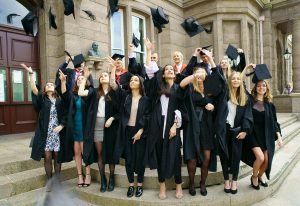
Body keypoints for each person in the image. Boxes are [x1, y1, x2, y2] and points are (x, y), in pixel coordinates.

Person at [108, 56, 150, 198]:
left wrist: (141, 130)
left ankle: (140, 185)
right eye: (131, 80)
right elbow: (113, 85)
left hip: (140, 132)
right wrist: (113, 69)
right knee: (129, 159)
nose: (132, 81)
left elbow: (147, 116)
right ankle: (131, 184)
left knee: (140, 159)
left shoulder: (146, 99)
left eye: (135, 80)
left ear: (140, 83)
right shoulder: (125, 96)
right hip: (126, 131)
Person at [20, 63, 66, 191]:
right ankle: (50, 180)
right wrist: (31, 74)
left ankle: (57, 180)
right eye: (47, 85)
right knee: (47, 157)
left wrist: (62, 126)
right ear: (45, 89)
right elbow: (34, 90)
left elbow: (65, 115)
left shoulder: (60, 100)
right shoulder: (42, 98)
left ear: (55, 88)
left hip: (57, 133)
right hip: (46, 133)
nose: (50, 85)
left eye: (52, 84)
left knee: (57, 157)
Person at [179, 49, 217, 196]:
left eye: (203, 72)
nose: (200, 75)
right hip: (192, 125)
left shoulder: (210, 88)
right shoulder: (189, 88)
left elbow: (216, 102)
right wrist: (195, 74)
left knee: (207, 156)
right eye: (198, 73)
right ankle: (192, 183)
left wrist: (212, 106)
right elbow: (181, 82)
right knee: (192, 159)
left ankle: (203, 183)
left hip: (206, 125)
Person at [78, 67, 119, 193]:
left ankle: (111, 178)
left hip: (110, 124)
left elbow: (120, 110)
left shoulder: (115, 92)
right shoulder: (95, 92)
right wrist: (85, 77)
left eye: (105, 75)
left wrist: (112, 118)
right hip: (97, 124)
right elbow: (80, 93)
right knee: (100, 153)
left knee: (110, 153)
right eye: (101, 76)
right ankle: (103, 179)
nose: (103, 77)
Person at [242, 64, 283, 190]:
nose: (261, 87)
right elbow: (241, 85)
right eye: (259, 86)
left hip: (266, 136)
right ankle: (254, 177)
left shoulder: (270, 105)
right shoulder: (250, 100)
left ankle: (260, 175)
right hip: (253, 135)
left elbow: (275, 123)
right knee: (260, 158)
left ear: (266, 88)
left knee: (266, 160)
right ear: (256, 88)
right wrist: (246, 68)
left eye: (263, 85)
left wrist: (279, 136)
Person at [219, 71, 253, 194]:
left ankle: (234, 180)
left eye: (238, 79)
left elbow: (248, 116)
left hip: (238, 131)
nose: (235, 81)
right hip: (224, 130)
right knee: (224, 155)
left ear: (241, 81)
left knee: (236, 156)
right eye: (233, 79)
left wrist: (245, 130)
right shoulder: (224, 94)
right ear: (230, 81)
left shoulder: (245, 97)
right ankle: (226, 180)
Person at [60, 72, 92, 188]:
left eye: (82, 78)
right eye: (78, 78)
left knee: (85, 153)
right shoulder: (72, 94)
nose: (80, 79)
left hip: (84, 128)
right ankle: (80, 175)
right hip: (74, 128)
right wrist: (63, 81)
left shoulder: (88, 93)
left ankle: (88, 174)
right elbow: (63, 94)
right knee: (77, 153)